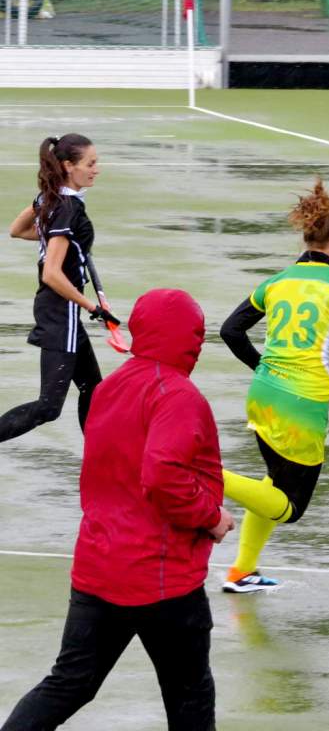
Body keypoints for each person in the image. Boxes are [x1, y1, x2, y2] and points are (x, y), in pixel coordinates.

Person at [1, 288, 235, 731]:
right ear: (185, 338)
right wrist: (211, 516)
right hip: (162, 578)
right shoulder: (178, 395)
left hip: (99, 566)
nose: (200, 343)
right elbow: (163, 474)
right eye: (197, 334)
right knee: (190, 695)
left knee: (69, 682)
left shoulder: (110, 388)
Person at [219, 177, 329, 593]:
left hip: (263, 396)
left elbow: (231, 331)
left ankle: (241, 570)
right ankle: (206, 475)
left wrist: (265, 368)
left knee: (271, 484)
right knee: (291, 507)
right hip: (302, 406)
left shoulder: (276, 282)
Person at [1, 133, 121, 443]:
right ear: (68, 166)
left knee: (94, 388)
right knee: (48, 407)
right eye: (90, 164)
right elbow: (52, 274)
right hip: (61, 310)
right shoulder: (66, 207)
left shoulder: (50, 199)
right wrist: (93, 307)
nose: (97, 169)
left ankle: (99, 459)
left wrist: (54, 233)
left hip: (60, 310)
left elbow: (17, 230)